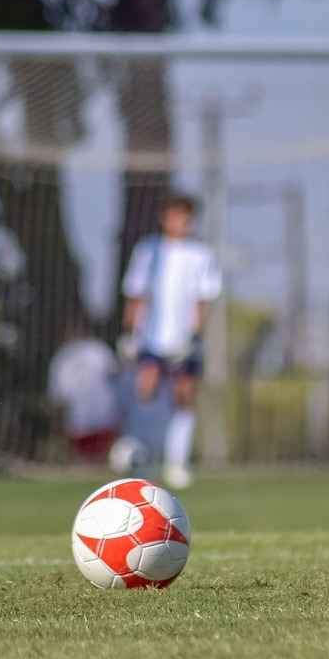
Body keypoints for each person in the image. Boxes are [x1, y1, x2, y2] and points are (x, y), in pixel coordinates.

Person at [121, 193, 222, 489]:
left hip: (183, 340)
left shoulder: (200, 254)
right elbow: (136, 294)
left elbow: (204, 299)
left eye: (186, 217)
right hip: (151, 338)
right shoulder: (147, 250)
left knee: (184, 396)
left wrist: (194, 335)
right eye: (175, 215)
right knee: (146, 390)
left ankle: (177, 463)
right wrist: (129, 333)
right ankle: (141, 457)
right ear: (164, 218)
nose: (181, 222)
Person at [47, 323, 120, 462]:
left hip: (103, 419)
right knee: (82, 464)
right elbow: (58, 396)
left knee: (102, 463)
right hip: (77, 423)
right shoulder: (63, 356)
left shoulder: (99, 349)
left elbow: (115, 379)